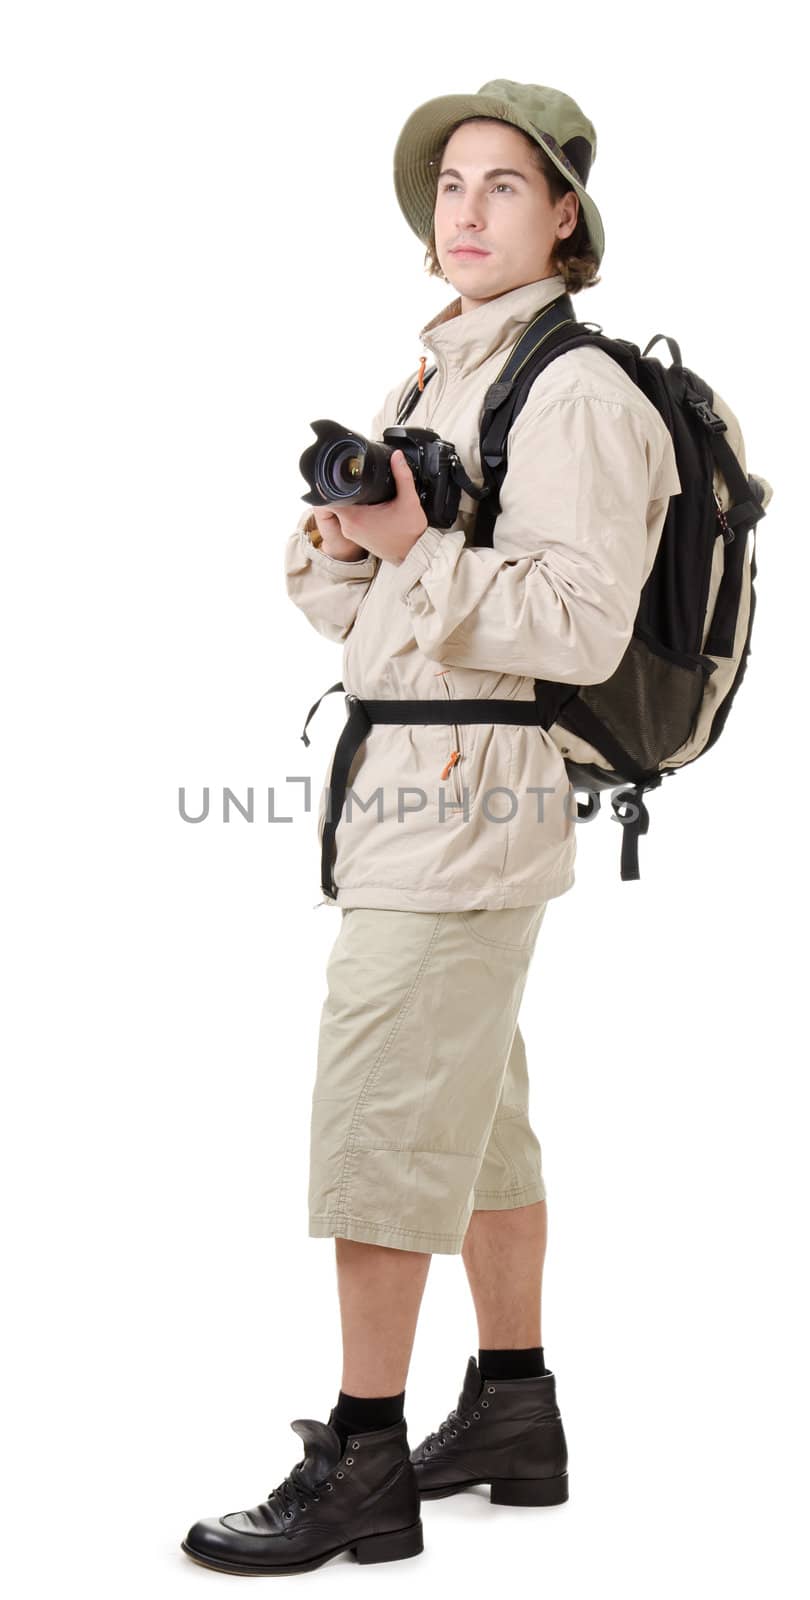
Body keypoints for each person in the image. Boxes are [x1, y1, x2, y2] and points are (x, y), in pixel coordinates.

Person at [181, 80, 682, 1576]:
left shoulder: (576, 389)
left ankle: (361, 1457)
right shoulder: (430, 380)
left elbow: (577, 630)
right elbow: (338, 611)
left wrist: (413, 550)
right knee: (474, 1122)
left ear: (565, 216)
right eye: (449, 187)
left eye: (502, 188)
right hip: (409, 788)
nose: (464, 212)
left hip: (467, 799)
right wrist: (358, 540)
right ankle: (514, 1412)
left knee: (384, 1115)